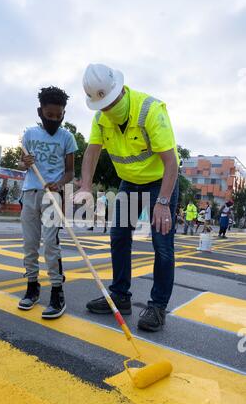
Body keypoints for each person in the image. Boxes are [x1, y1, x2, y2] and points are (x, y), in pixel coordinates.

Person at [75, 63, 179, 332]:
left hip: (160, 180)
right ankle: (120, 296)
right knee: (119, 235)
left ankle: (157, 307)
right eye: (103, 106)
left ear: (121, 91)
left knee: (162, 243)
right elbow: (92, 152)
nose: (109, 110)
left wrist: (163, 203)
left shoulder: (150, 110)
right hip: (130, 182)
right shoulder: (100, 118)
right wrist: (86, 185)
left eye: (111, 103)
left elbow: (171, 162)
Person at [18, 86, 78, 318]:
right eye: (49, 115)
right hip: (30, 193)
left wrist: (60, 184)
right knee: (30, 244)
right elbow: (23, 165)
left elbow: (70, 172)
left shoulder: (67, 138)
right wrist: (25, 162)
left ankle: (57, 292)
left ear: (63, 114)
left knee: (51, 244)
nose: (54, 119)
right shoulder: (30, 135)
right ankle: (32, 287)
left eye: (58, 116)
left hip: (52, 195)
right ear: (40, 111)